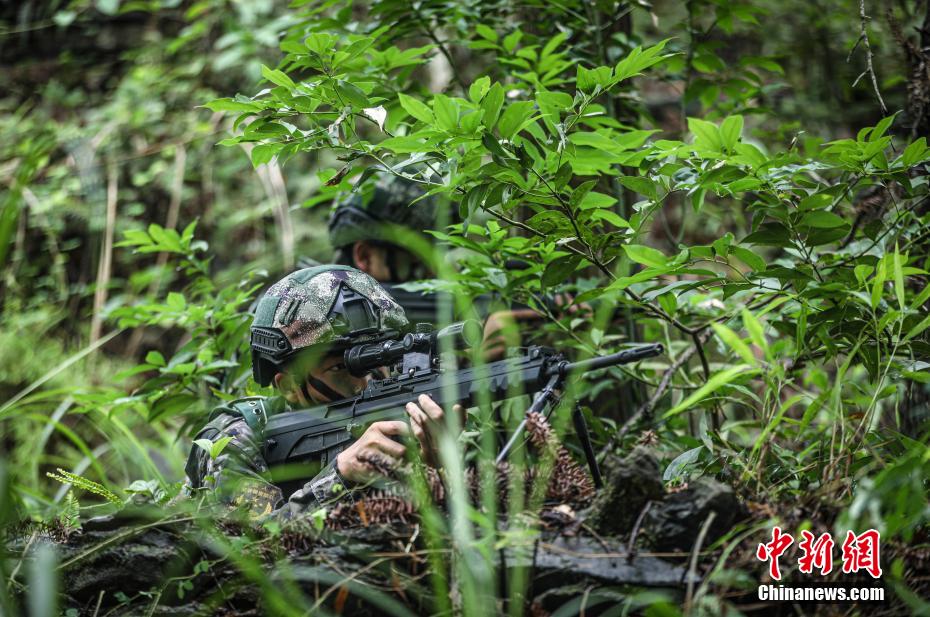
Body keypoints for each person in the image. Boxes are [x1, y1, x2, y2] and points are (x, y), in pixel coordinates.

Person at [185, 265, 461, 520]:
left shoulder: (403, 421)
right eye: (341, 367)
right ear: (289, 387)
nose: (366, 381)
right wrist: (340, 477)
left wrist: (432, 472)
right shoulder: (236, 437)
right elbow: (252, 547)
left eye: (380, 359)